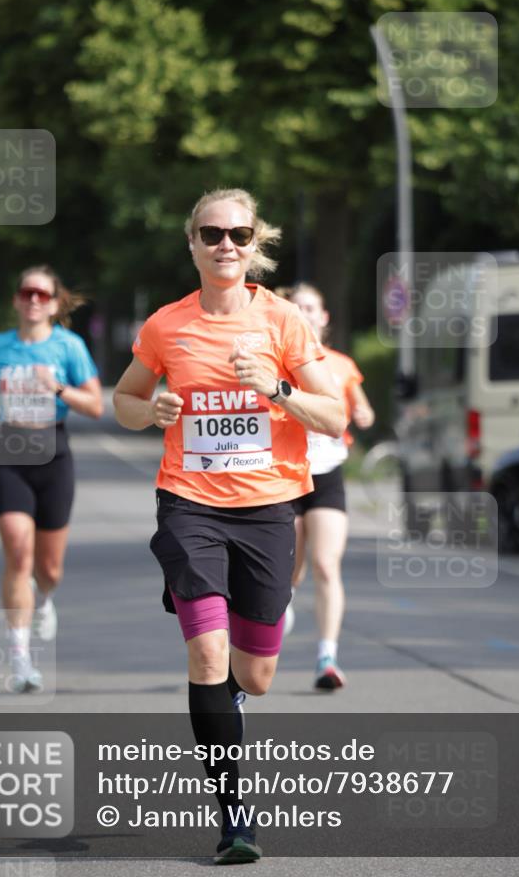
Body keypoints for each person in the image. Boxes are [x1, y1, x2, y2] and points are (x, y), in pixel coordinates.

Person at [113, 189, 345, 864]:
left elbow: (333, 417)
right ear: (191, 242)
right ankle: (233, 816)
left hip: (270, 509)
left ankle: (232, 697)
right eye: (211, 233)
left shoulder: (283, 322)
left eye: (237, 235)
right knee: (208, 658)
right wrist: (149, 408)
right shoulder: (165, 327)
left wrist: (275, 389)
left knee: (257, 673)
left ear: (254, 243)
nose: (224, 245)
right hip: (189, 504)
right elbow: (125, 401)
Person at [0, 266, 103, 692]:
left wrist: (58, 389)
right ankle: (21, 659)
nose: (33, 300)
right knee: (18, 553)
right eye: (26, 292)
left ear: (54, 302)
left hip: (54, 454)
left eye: (42, 295)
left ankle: (44, 599)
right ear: (16, 299)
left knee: (49, 568)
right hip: (11, 453)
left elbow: (97, 405)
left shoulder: (69, 346)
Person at [282, 283, 375, 690]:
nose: (303, 313)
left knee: (325, 564)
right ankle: (280, 606)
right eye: (295, 307)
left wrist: (366, 414)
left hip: (327, 473)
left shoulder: (340, 364)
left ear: (324, 317)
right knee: (289, 571)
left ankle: (327, 656)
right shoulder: (279, 363)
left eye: (310, 307)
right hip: (285, 476)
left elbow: (360, 406)